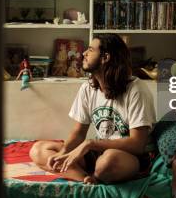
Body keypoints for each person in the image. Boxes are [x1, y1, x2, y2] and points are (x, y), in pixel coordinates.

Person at [29, 34, 156, 184]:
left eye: (90, 50)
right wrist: (63, 154)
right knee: (38, 150)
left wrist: (90, 144)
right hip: (98, 152)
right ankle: (86, 179)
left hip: (128, 156)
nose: (84, 54)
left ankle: (97, 174)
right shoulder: (88, 88)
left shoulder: (136, 90)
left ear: (105, 57)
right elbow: (78, 132)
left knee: (108, 162)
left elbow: (137, 144)